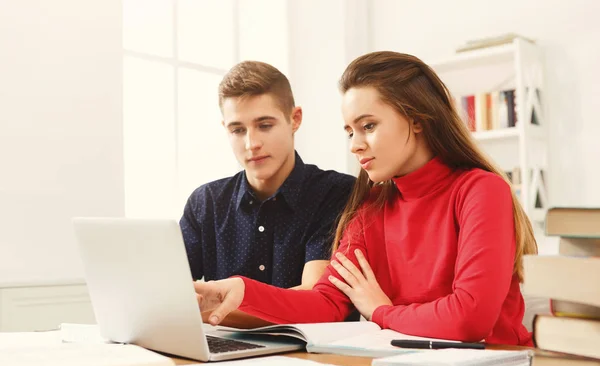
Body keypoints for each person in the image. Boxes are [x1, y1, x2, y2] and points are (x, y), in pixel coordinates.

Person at [193, 52, 537, 346]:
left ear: (416, 119)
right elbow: (326, 304)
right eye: (350, 131)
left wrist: (381, 312)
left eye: (368, 126)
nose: (355, 144)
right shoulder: (371, 207)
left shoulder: (481, 190)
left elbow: (469, 319)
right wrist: (242, 290)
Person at [180, 61, 355, 293]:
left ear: (295, 119)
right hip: (218, 330)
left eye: (264, 125)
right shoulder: (205, 202)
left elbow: (315, 297)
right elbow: (168, 291)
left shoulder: (336, 193)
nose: (252, 144)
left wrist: (223, 302)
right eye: (237, 130)